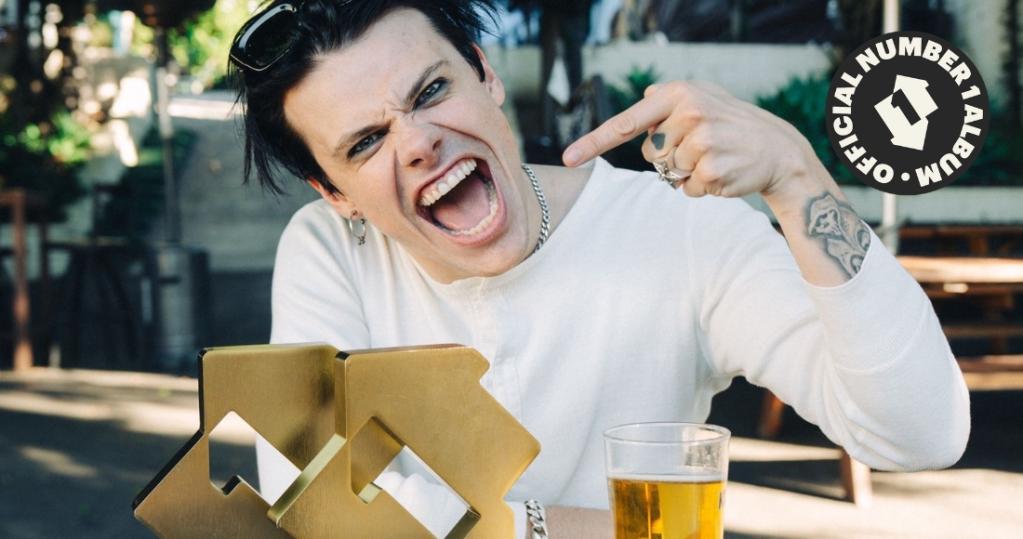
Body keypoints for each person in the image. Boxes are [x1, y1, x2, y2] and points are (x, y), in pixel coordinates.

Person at [229, 1, 970, 537]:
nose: (418, 142)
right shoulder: (329, 250)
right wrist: (600, 529)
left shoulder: (680, 225)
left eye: (431, 92)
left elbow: (919, 433)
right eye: (365, 143)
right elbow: (314, 500)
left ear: (484, 75)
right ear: (334, 193)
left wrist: (798, 179)